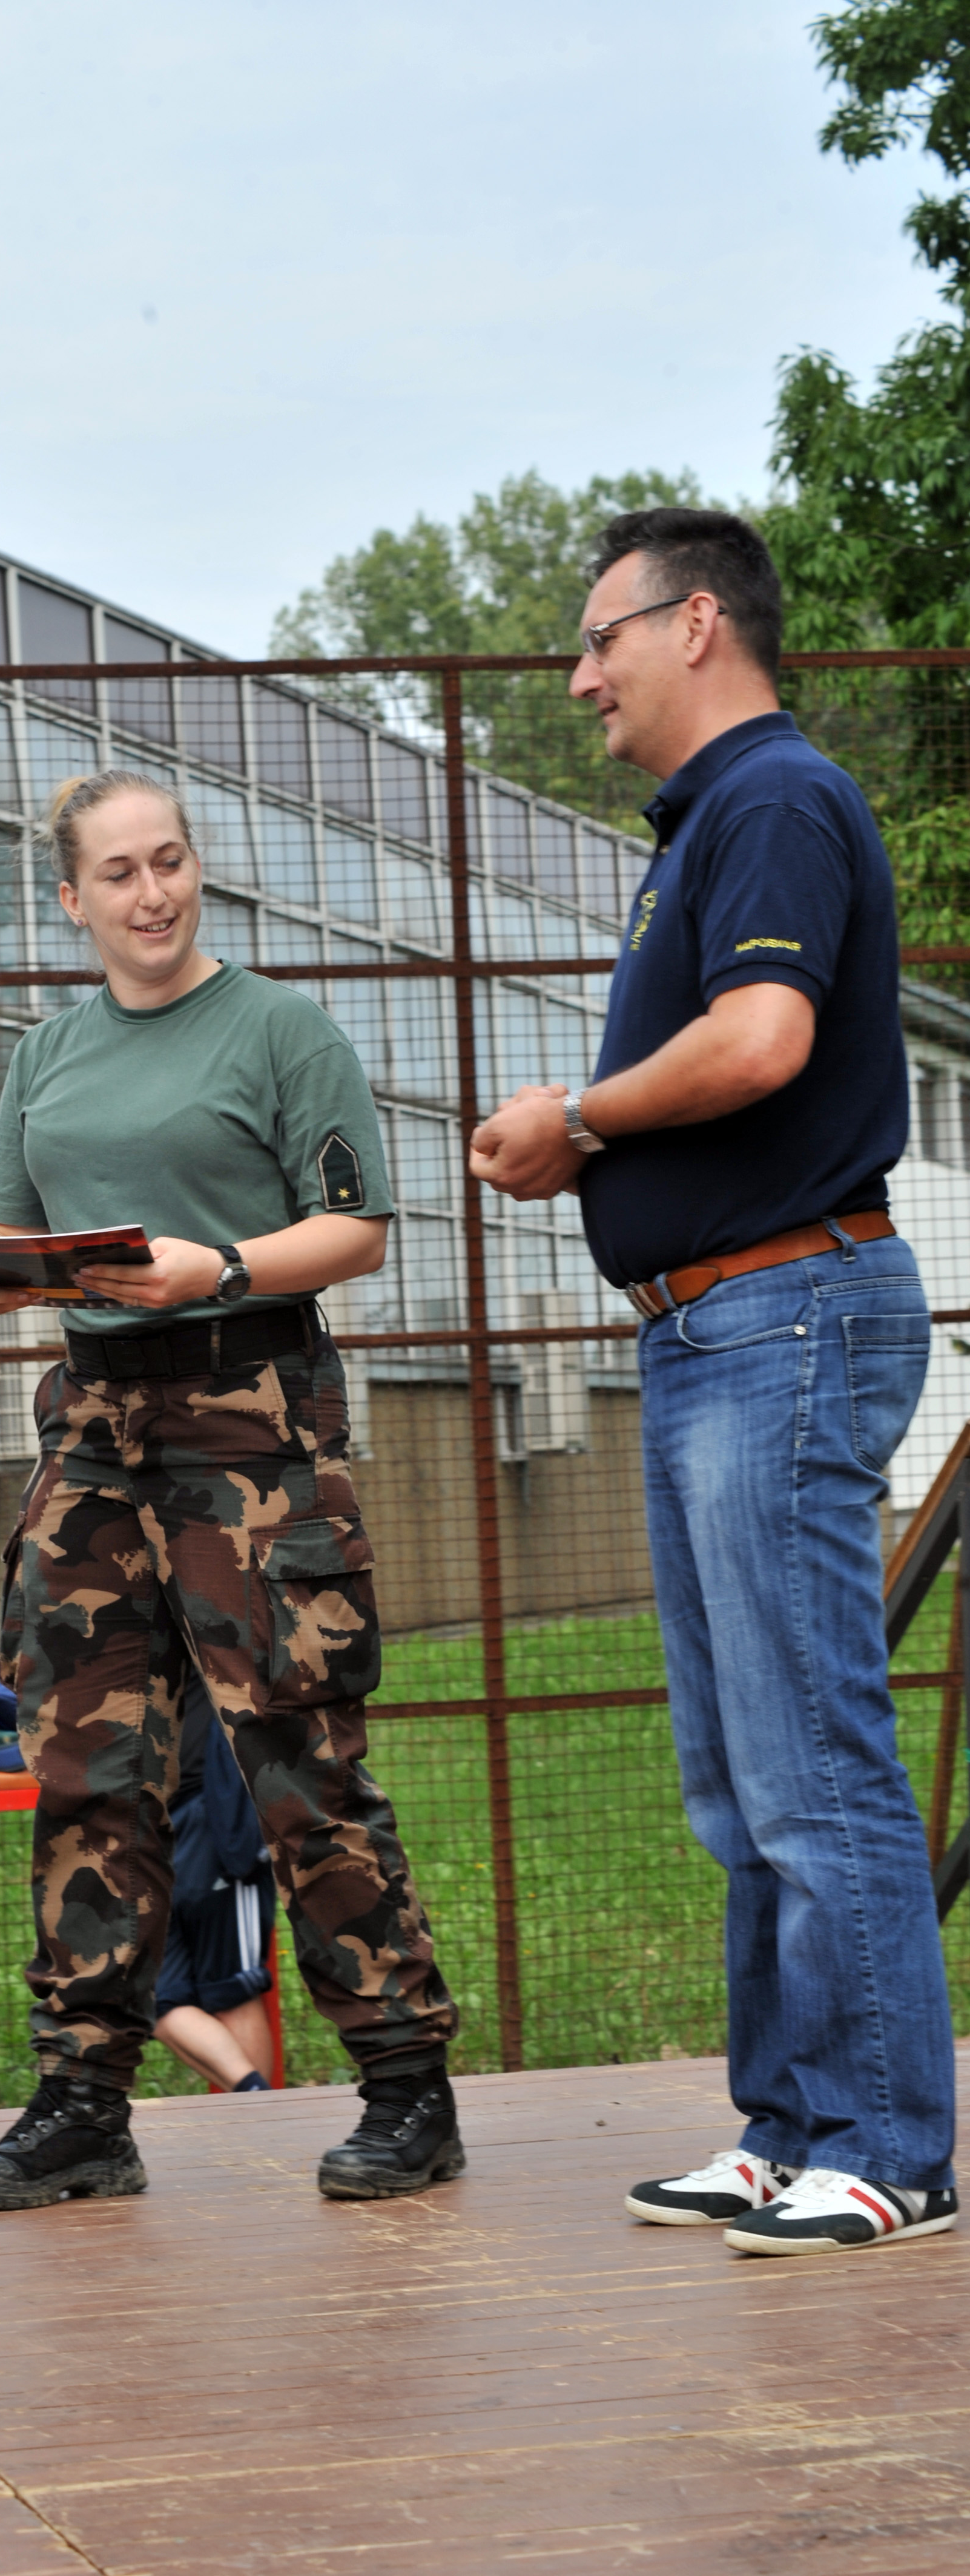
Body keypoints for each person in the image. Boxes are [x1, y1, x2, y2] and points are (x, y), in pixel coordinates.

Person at [470, 507, 957, 2258]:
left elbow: (761, 1041)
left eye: (597, 639)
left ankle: (889, 2143)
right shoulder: (713, 822)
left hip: (782, 1319)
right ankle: (790, 2125)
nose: (579, 678)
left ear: (693, 625)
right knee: (741, 1771)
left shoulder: (772, 800)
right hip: (713, 1331)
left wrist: (576, 1119)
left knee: (807, 1751)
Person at [0, 769, 460, 2215]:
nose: (152, 892)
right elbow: (5, 1232)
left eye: (168, 860)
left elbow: (356, 1228)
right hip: (93, 1423)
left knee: (298, 1760)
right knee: (86, 1765)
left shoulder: (281, 1030)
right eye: (118, 873)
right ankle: (82, 2105)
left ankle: (406, 2087)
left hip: (249, 1420)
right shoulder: (47, 1054)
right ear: (72, 899)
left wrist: (215, 1266)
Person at [153, 1673, 277, 2094]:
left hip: (215, 1816)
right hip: (150, 1825)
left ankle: (258, 2117)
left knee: (227, 1989)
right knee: (157, 1997)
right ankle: (258, 2105)